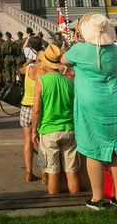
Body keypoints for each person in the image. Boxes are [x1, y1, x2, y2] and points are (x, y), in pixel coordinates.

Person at [63, 15, 117, 209]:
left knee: (93, 149)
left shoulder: (79, 50)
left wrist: (77, 40)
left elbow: (63, 59)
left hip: (90, 101)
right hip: (114, 99)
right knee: (116, 148)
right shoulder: (113, 50)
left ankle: (97, 198)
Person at [30, 44, 81, 197]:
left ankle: (55, 204)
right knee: (71, 171)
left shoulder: (42, 81)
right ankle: (76, 202)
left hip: (48, 130)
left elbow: (36, 109)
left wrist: (34, 131)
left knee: (53, 172)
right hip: (69, 129)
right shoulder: (69, 82)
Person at [18, 48, 41, 183]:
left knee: (28, 141)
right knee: (41, 141)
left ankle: (29, 172)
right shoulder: (44, 72)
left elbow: (20, 69)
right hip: (39, 108)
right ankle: (45, 173)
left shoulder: (28, 69)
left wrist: (29, 62)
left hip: (26, 107)